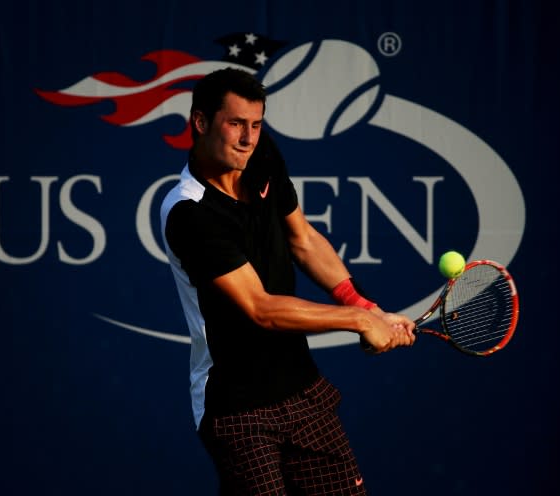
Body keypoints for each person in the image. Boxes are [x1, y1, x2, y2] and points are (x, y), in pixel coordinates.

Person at [159, 67, 415, 495]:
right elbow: (261, 309)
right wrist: (355, 319)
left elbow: (303, 240)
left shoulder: (261, 159)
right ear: (201, 123)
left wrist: (368, 308)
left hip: (302, 389)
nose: (248, 138)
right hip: (236, 409)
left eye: (256, 125)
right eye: (235, 124)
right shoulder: (190, 214)